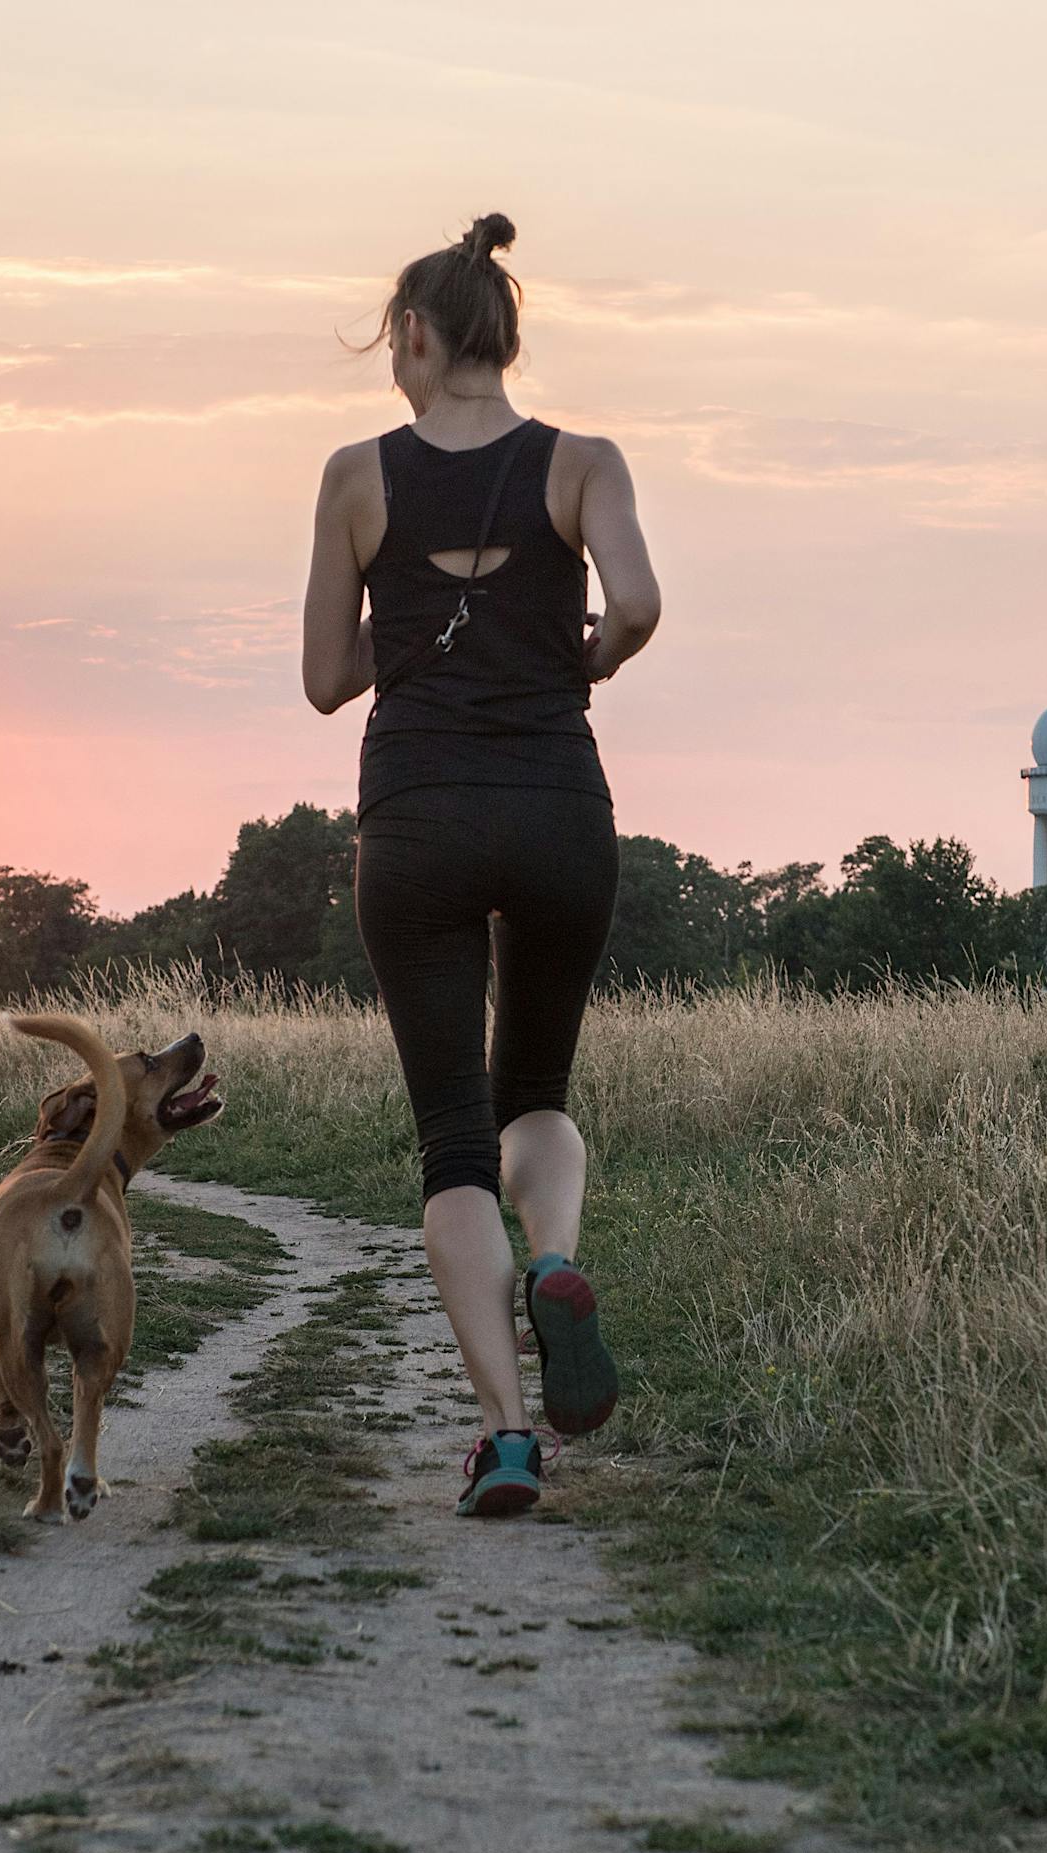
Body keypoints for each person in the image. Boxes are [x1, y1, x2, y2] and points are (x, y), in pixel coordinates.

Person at [301, 213, 661, 1517]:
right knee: (539, 1092)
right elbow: (636, 604)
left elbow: (323, 681)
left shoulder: (356, 476)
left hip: (416, 816)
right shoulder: (585, 462)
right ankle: (556, 1256)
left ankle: (509, 1436)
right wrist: (582, 660)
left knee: (453, 1137)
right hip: (561, 803)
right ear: (506, 339)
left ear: (414, 335)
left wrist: (409, 641)